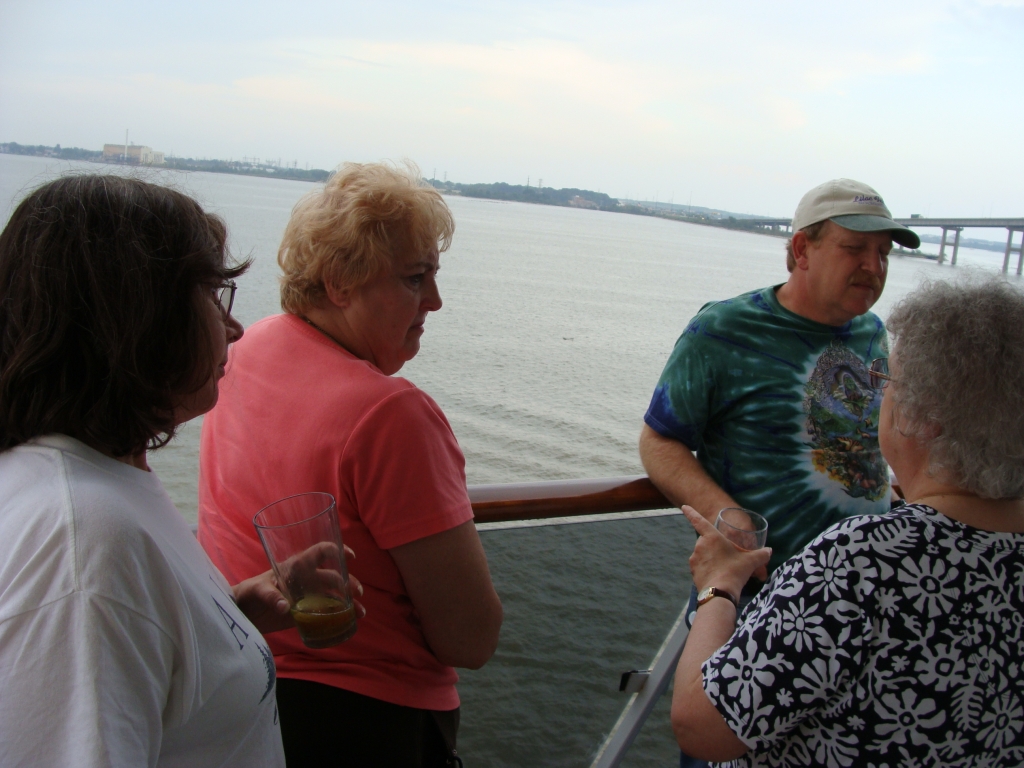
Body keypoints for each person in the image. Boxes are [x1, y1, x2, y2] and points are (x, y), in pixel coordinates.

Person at [197, 161, 503, 767]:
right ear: (339, 281)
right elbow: (470, 637)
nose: (436, 302)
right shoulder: (391, 414)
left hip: (241, 691)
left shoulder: (249, 346)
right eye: (415, 279)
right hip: (365, 724)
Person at [0, 175, 300, 766]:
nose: (233, 328)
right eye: (214, 297)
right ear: (140, 320)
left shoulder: (93, 480)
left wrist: (226, 623)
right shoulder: (85, 542)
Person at [671, 275, 1024, 765]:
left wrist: (719, 586)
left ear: (919, 417)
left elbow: (700, 724)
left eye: (890, 383)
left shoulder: (863, 561)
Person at [640, 178, 921, 581]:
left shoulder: (874, 331)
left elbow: (867, 437)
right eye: (855, 248)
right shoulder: (722, 330)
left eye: (883, 253)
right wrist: (727, 515)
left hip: (869, 589)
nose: (874, 267)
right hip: (761, 597)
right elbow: (659, 440)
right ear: (803, 249)